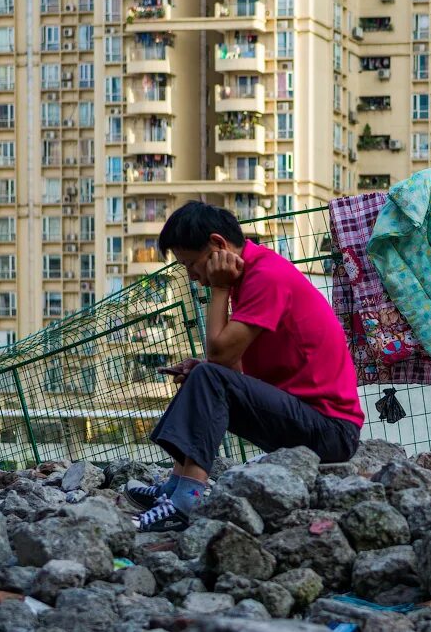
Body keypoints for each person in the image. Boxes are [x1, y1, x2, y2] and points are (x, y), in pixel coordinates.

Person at [129, 201, 364, 531]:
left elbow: (220, 356)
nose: (193, 277)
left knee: (209, 374)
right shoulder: (252, 275)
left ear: (218, 245)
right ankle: (175, 487)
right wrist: (205, 369)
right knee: (204, 374)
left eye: (191, 264)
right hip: (306, 419)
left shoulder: (266, 276)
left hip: (331, 432)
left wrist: (220, 289)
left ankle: (188, 499)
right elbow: (233, 370)